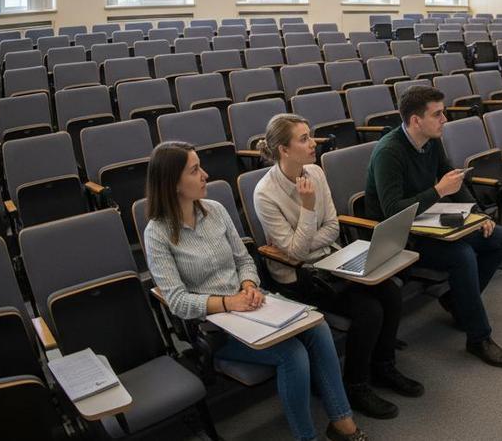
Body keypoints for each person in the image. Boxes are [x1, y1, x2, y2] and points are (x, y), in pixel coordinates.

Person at [143, 141, 368, 441]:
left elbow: (244, 260)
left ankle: (343, 423)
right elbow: (177, 301)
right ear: (171, 183)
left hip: (253, 304)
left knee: (319, 329)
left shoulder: (216, 210)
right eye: (195, 170)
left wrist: (248, 284)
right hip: (216, 327)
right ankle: (307, 438)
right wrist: (228, 302)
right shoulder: (157, 233)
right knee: (293, 355)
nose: (205, 175)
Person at [253, 113, 424, 420]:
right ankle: (356, 385)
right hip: (298, 275)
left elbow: (333, 226)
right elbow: (294, 253)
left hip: (332, 259)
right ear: (283, 150)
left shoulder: (316, 173)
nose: (313, 143)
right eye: (304, 138)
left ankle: (383, 367)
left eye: (311, 135)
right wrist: (306, 209)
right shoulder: (265, 193)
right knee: (368, 311)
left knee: (390, 293)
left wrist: (312, 239)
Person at [362, 85, 502, 368]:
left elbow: (453, 182)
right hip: (401, 237)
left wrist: (480, 214)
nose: (444, 120)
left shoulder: (432, 141)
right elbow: (392, 211)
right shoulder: (389, 152)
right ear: (415, 121)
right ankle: (478, 338)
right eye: (437, 114)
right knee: (462, 255)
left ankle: (456, 302)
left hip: (431, 225)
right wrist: (437, 191)